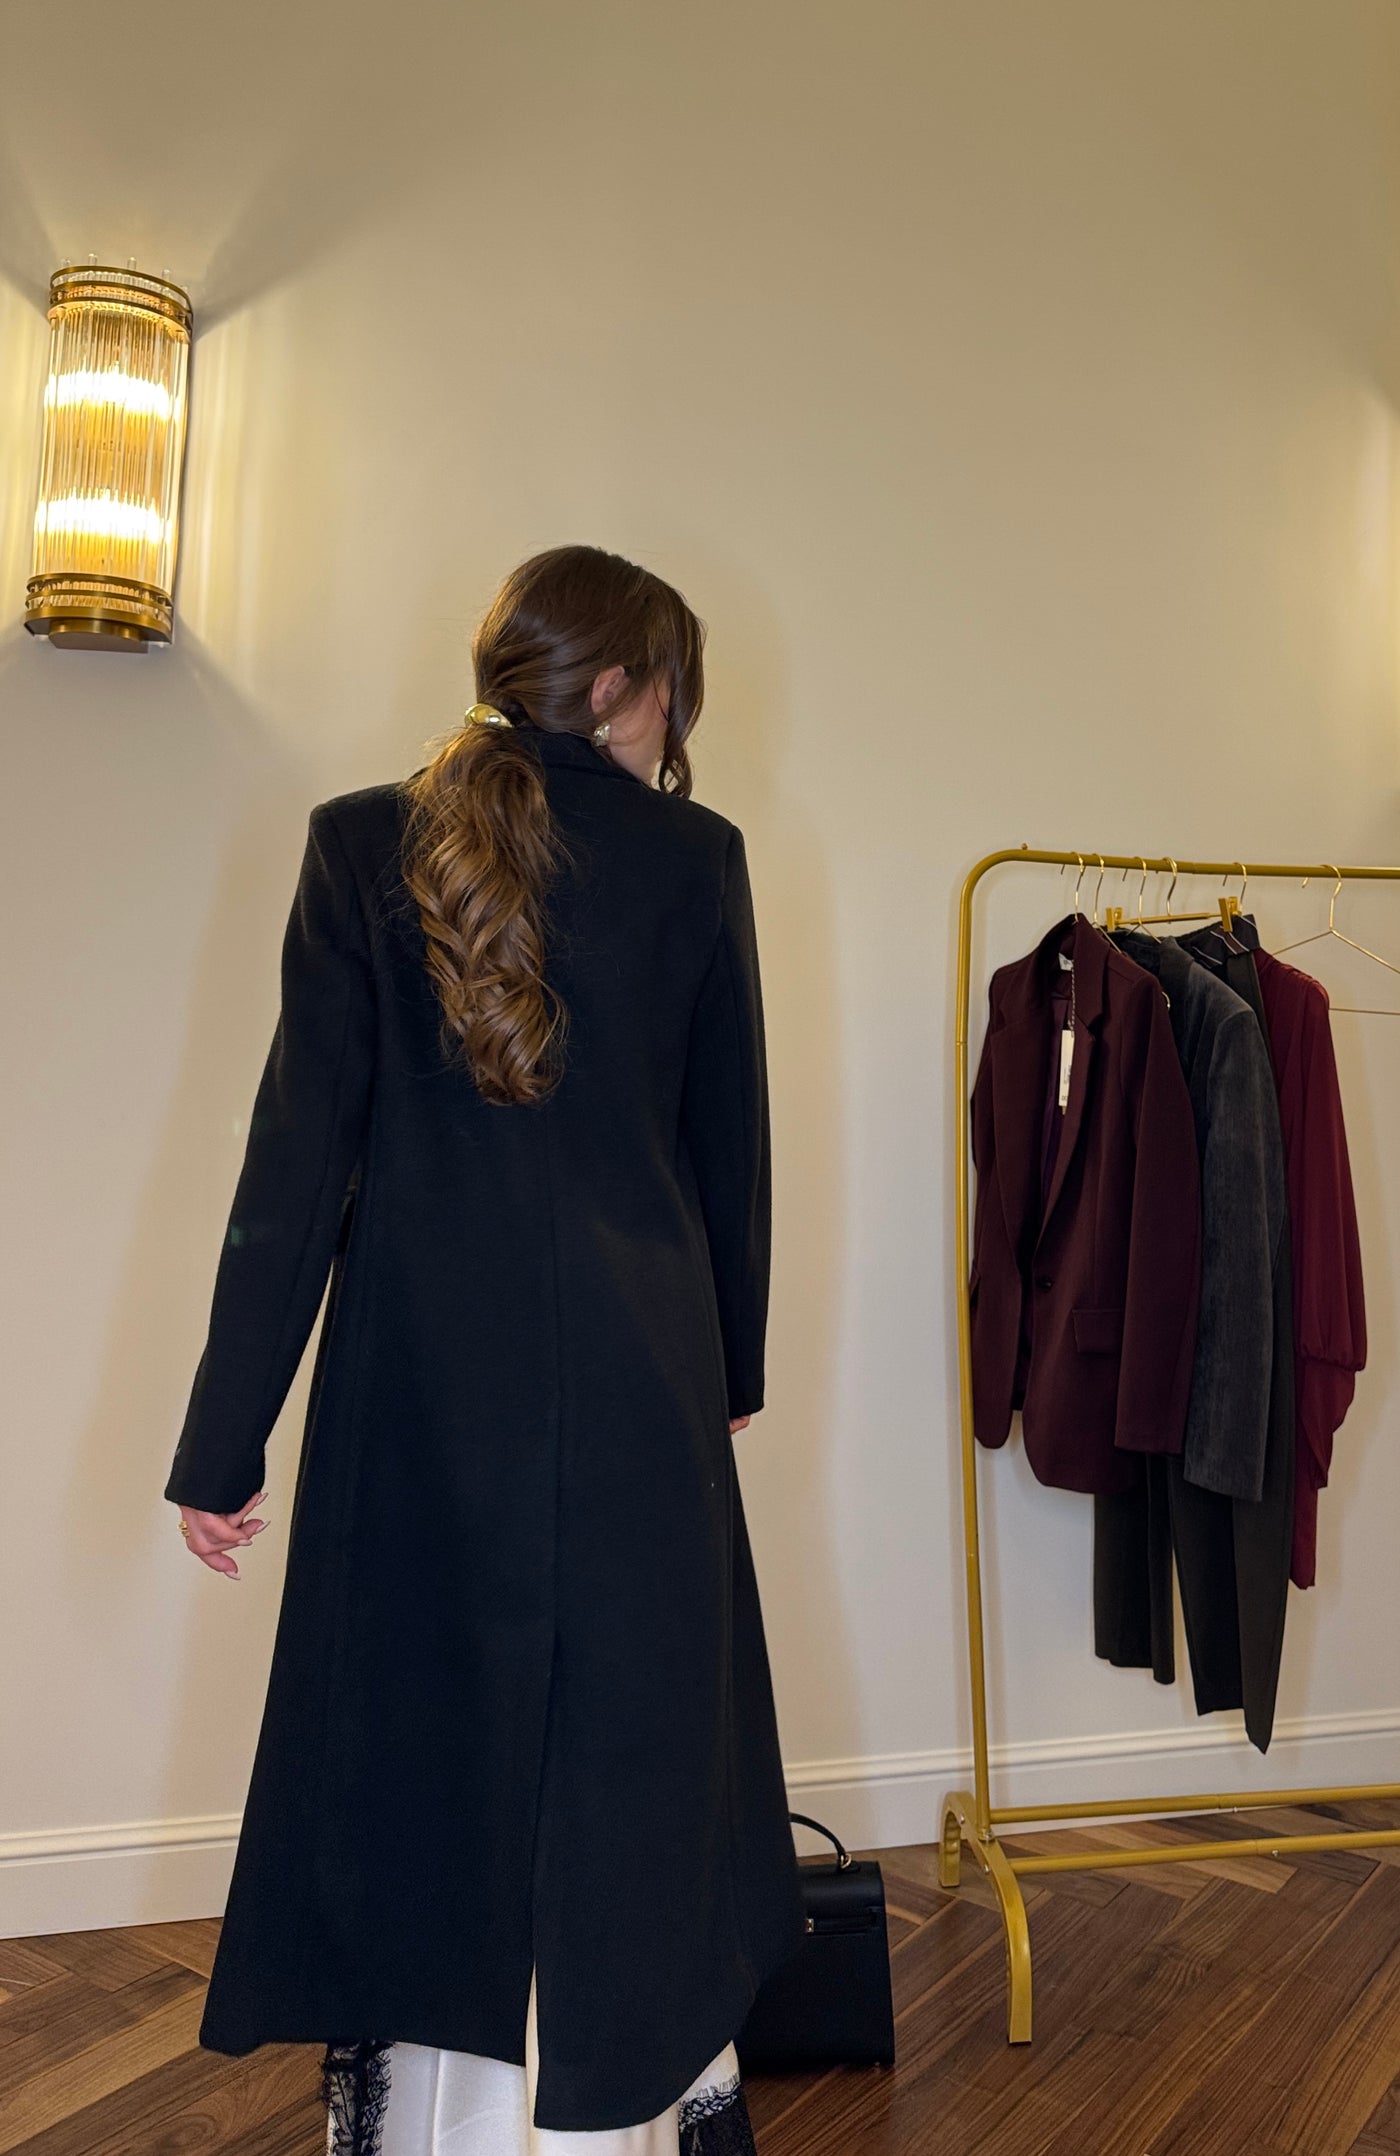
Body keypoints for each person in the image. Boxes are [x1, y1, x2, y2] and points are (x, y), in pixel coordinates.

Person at [163, 544, 806, 2156]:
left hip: (417, 1394)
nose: (674, 736)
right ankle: (606, 2116)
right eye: (673, 702)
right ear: (626, 683)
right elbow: (729, 1151)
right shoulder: (696, 857)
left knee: (427, 1757)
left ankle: (451, 2120)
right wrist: (728, 1367)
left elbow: (294, 1169)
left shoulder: (359, 843)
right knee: (634, 1759)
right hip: (643, 1378)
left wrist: (223, 1441)